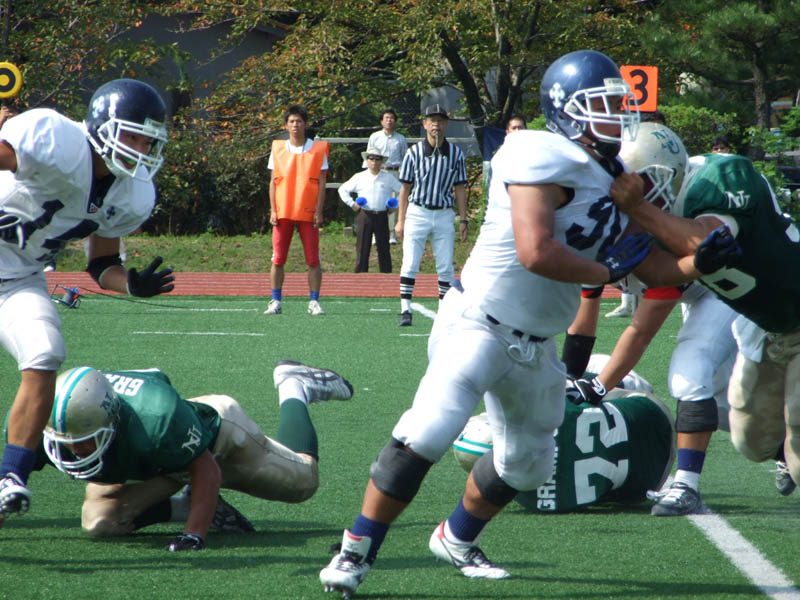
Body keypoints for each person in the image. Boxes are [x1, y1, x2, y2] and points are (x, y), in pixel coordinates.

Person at [319, 49, 662, 598]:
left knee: (528, 465)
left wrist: (694, 252)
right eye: (604, 104)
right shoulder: (537, 151)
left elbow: (650, 258)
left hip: (537, 343)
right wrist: (607, 270)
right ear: (567, 109)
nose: (617, 115)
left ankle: (456, 536)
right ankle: (355, 550)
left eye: (619, 104)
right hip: (480, 322)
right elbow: (536, 251)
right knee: (428, 430)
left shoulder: (615, 178)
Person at [0, 78, 176, 527]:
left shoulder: (130, 193)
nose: (141, 150)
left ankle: (10, 477)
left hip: (17, 278)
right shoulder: (56, 140)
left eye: (149, 142)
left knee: (45, 353)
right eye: (133, 136)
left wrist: (131, 284)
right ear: (102, 126)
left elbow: (101, 263)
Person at [610, 129, 800, 510]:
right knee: (752, 440)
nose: (635, 194)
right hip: (763, 326)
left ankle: (690, 483)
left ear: (667, 173)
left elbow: (704, 239)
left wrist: (639, 208)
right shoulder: (657, 217)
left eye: (642, 184)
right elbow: (662, 273)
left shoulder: (717, 177)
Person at [564, 123, 740, 516]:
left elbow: (643, 327)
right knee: (728, 409)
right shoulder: (608, 219)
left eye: (637, 181)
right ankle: (781, 447)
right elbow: (587, 305)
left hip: (723, 290)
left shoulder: (670, 220)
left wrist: (598, 386)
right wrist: (568, 376)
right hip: (695, 291)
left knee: (689, 373)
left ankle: (686, 486)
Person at [24, 360, 353, 551]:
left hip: (216, 436)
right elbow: (12, 475)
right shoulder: (51, 422)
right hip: (159, 455)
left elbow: (206, 469)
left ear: (112, 420)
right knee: (99, 521)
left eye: (85, 441)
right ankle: (187, 504)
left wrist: (194, 535)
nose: (74, 450)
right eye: (68, 440)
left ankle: (295, 385)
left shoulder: (156, 419)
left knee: (303, 482)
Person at [453, 367, 675, 513]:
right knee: (584, 376)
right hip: (655, 417)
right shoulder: (538, 410)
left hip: (646, 484)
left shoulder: (529, 501)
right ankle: (633, 384)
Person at [394, 104, 468, 327]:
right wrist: (400, 220)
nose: (436, 124)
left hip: (444, 213)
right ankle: (405, 309)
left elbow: (460, 188)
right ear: (425, 124)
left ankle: (444, 310)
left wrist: (464, 219)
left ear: (446, 124)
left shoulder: (456, 154)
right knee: (410, 262)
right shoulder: (414, 152)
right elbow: (405, 188)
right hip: (418, 211)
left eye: (441, 120)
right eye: (432, 120)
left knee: (445, 266)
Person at [265, 104, 330, 316]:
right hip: (283, 211)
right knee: (278, 258)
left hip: (308, 211)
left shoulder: (318, 149)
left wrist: (319, 210)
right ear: (286, 125)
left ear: (306, 124)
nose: (295, 125)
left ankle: (314, 301)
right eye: (292, 121)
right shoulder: (278, 148)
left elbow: (322, 183)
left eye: (299, 121)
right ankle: (275, 300)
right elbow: (273, 181)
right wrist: (273, 210)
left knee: (313, 259)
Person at [338, 147, 400, 273]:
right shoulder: (359, 177)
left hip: (382, 215)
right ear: (367, 160)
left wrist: (394, 206)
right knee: (362, 248)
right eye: (371, 158)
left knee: (384, 248)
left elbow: (402, 191)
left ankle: (386, 277)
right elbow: (342, 189)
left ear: (382, 161)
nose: (374, 161)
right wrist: (352, 204)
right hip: (365, 215)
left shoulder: (388, 177)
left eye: (378, 159)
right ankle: (360, 277)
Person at [365, 109, 408, 245]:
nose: (389, 120)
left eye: (391, 118)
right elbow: (368, 155)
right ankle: (375, 234)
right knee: (376, 201)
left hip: (394, 173)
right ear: (381, 121)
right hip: (378, 172)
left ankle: (391, 234)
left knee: (393, 203)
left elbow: (405, 158)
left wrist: (404, 176)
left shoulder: (400, 138)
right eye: (386, 118)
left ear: (395, 121)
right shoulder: (374, 137)